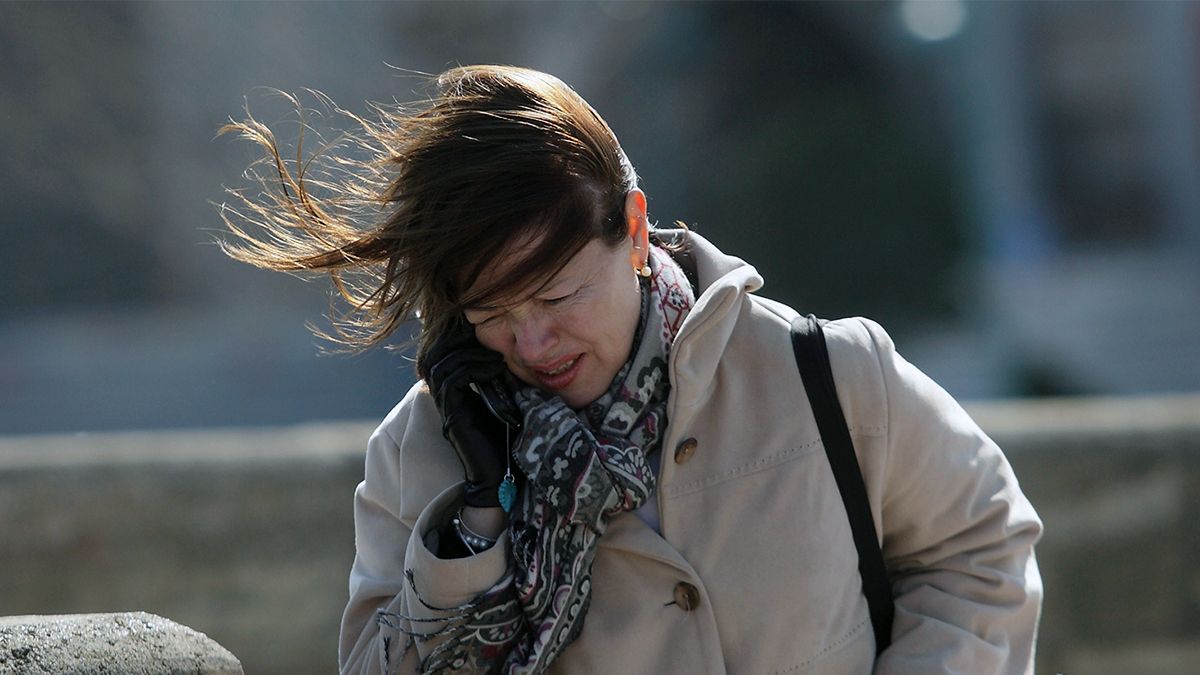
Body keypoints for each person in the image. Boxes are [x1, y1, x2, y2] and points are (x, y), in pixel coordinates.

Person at [218, 65, 1043, 674]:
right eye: (494, 313)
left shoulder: (821, 370)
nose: (533, 343)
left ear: (636, 231)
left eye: (558, 295)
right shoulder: (423, 448)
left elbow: (982, 543)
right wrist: (476, 525)